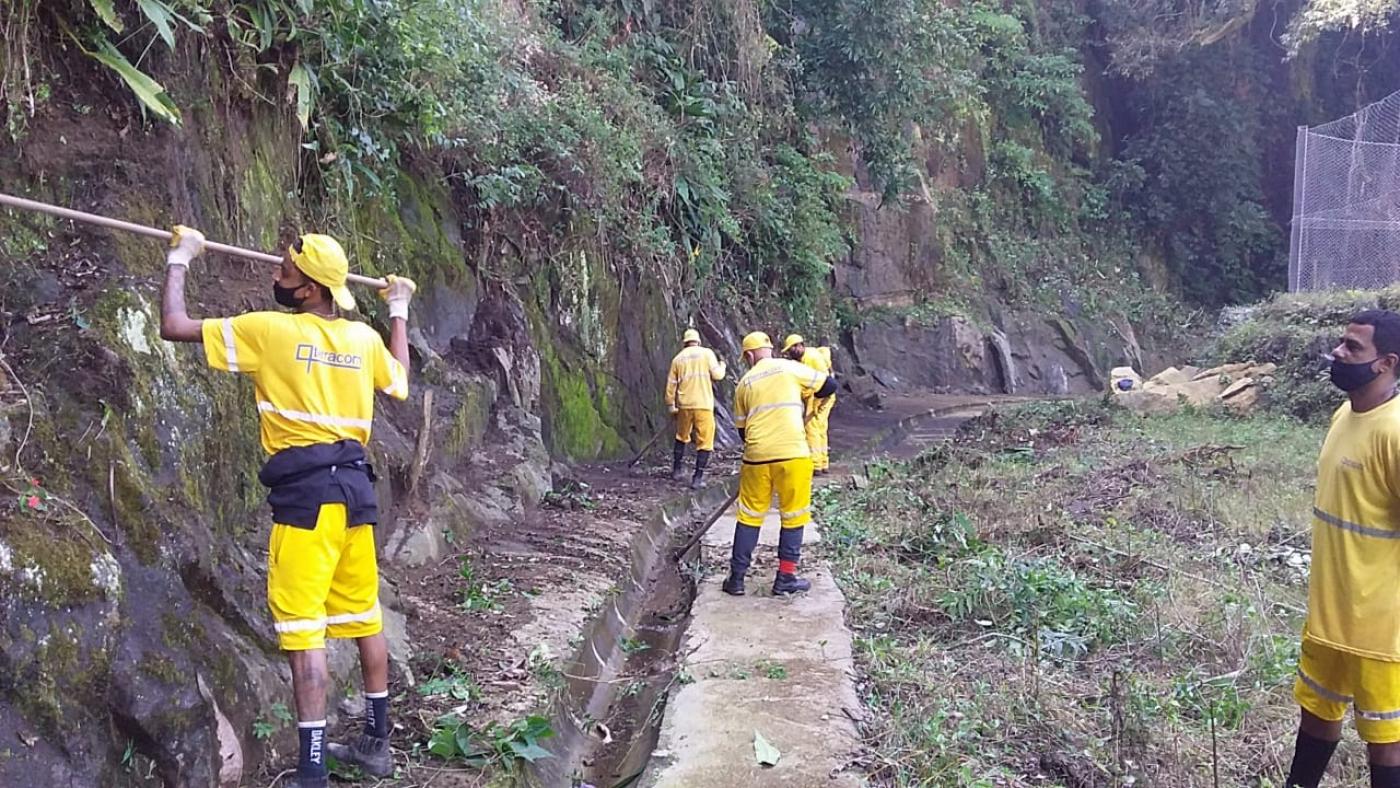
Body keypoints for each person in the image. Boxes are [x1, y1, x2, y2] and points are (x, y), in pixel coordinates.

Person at [158, 225, 416, 788]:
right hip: (356, 496)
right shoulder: (362, 339)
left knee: (306, 636)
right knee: (363, 617)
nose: (275, 277)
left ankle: (313, 771)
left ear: (308, 291)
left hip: (306, 502)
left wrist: (181, 259)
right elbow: (398, 381)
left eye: (285, 273)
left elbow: (174, 326)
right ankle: (377, 744)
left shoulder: (268, 332)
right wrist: (398, 309)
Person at [1285, 309, 1400, 788]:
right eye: (1342, 343)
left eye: (1354, 348)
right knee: (1316, 712)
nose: (1339, 352)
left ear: (1386, 364)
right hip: (1329, 618)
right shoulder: (1342, 415)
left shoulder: (1394, 434)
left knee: (1386, 738)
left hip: (1380, 629)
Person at [724, 331, 836, 597]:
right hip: (793, 455)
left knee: (749, 516)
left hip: (757, 457)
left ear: (749, 356)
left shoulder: (744, 383)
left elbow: (742, 431)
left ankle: (737, 579)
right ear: (770, 349)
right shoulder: (790, 368)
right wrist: (807, 404)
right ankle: (785, 577)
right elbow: (830, 386)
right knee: (793, 515)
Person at [665, 328, 727, 489]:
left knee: (681, 436)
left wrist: (671, 405)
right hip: (703, 405)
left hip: (685, 405)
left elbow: (671, 385)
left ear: (685, 343)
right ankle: (697, 478)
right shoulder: (707, 354)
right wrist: (722, 365)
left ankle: (677, 470)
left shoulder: (678, 359)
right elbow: (718, 375)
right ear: (698, 341)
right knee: (705, 441)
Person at [782, 334, 836, 474]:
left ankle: (815, 464)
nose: (792, 352)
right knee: (820, 428)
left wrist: (813, 402)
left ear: (801, 345)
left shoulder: (812, 358)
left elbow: (824, 382)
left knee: (811, 428)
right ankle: (823, 462)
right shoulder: (804, 358)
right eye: (789, 350)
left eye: (794, 348)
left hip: (820, 395)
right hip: (820, 395)